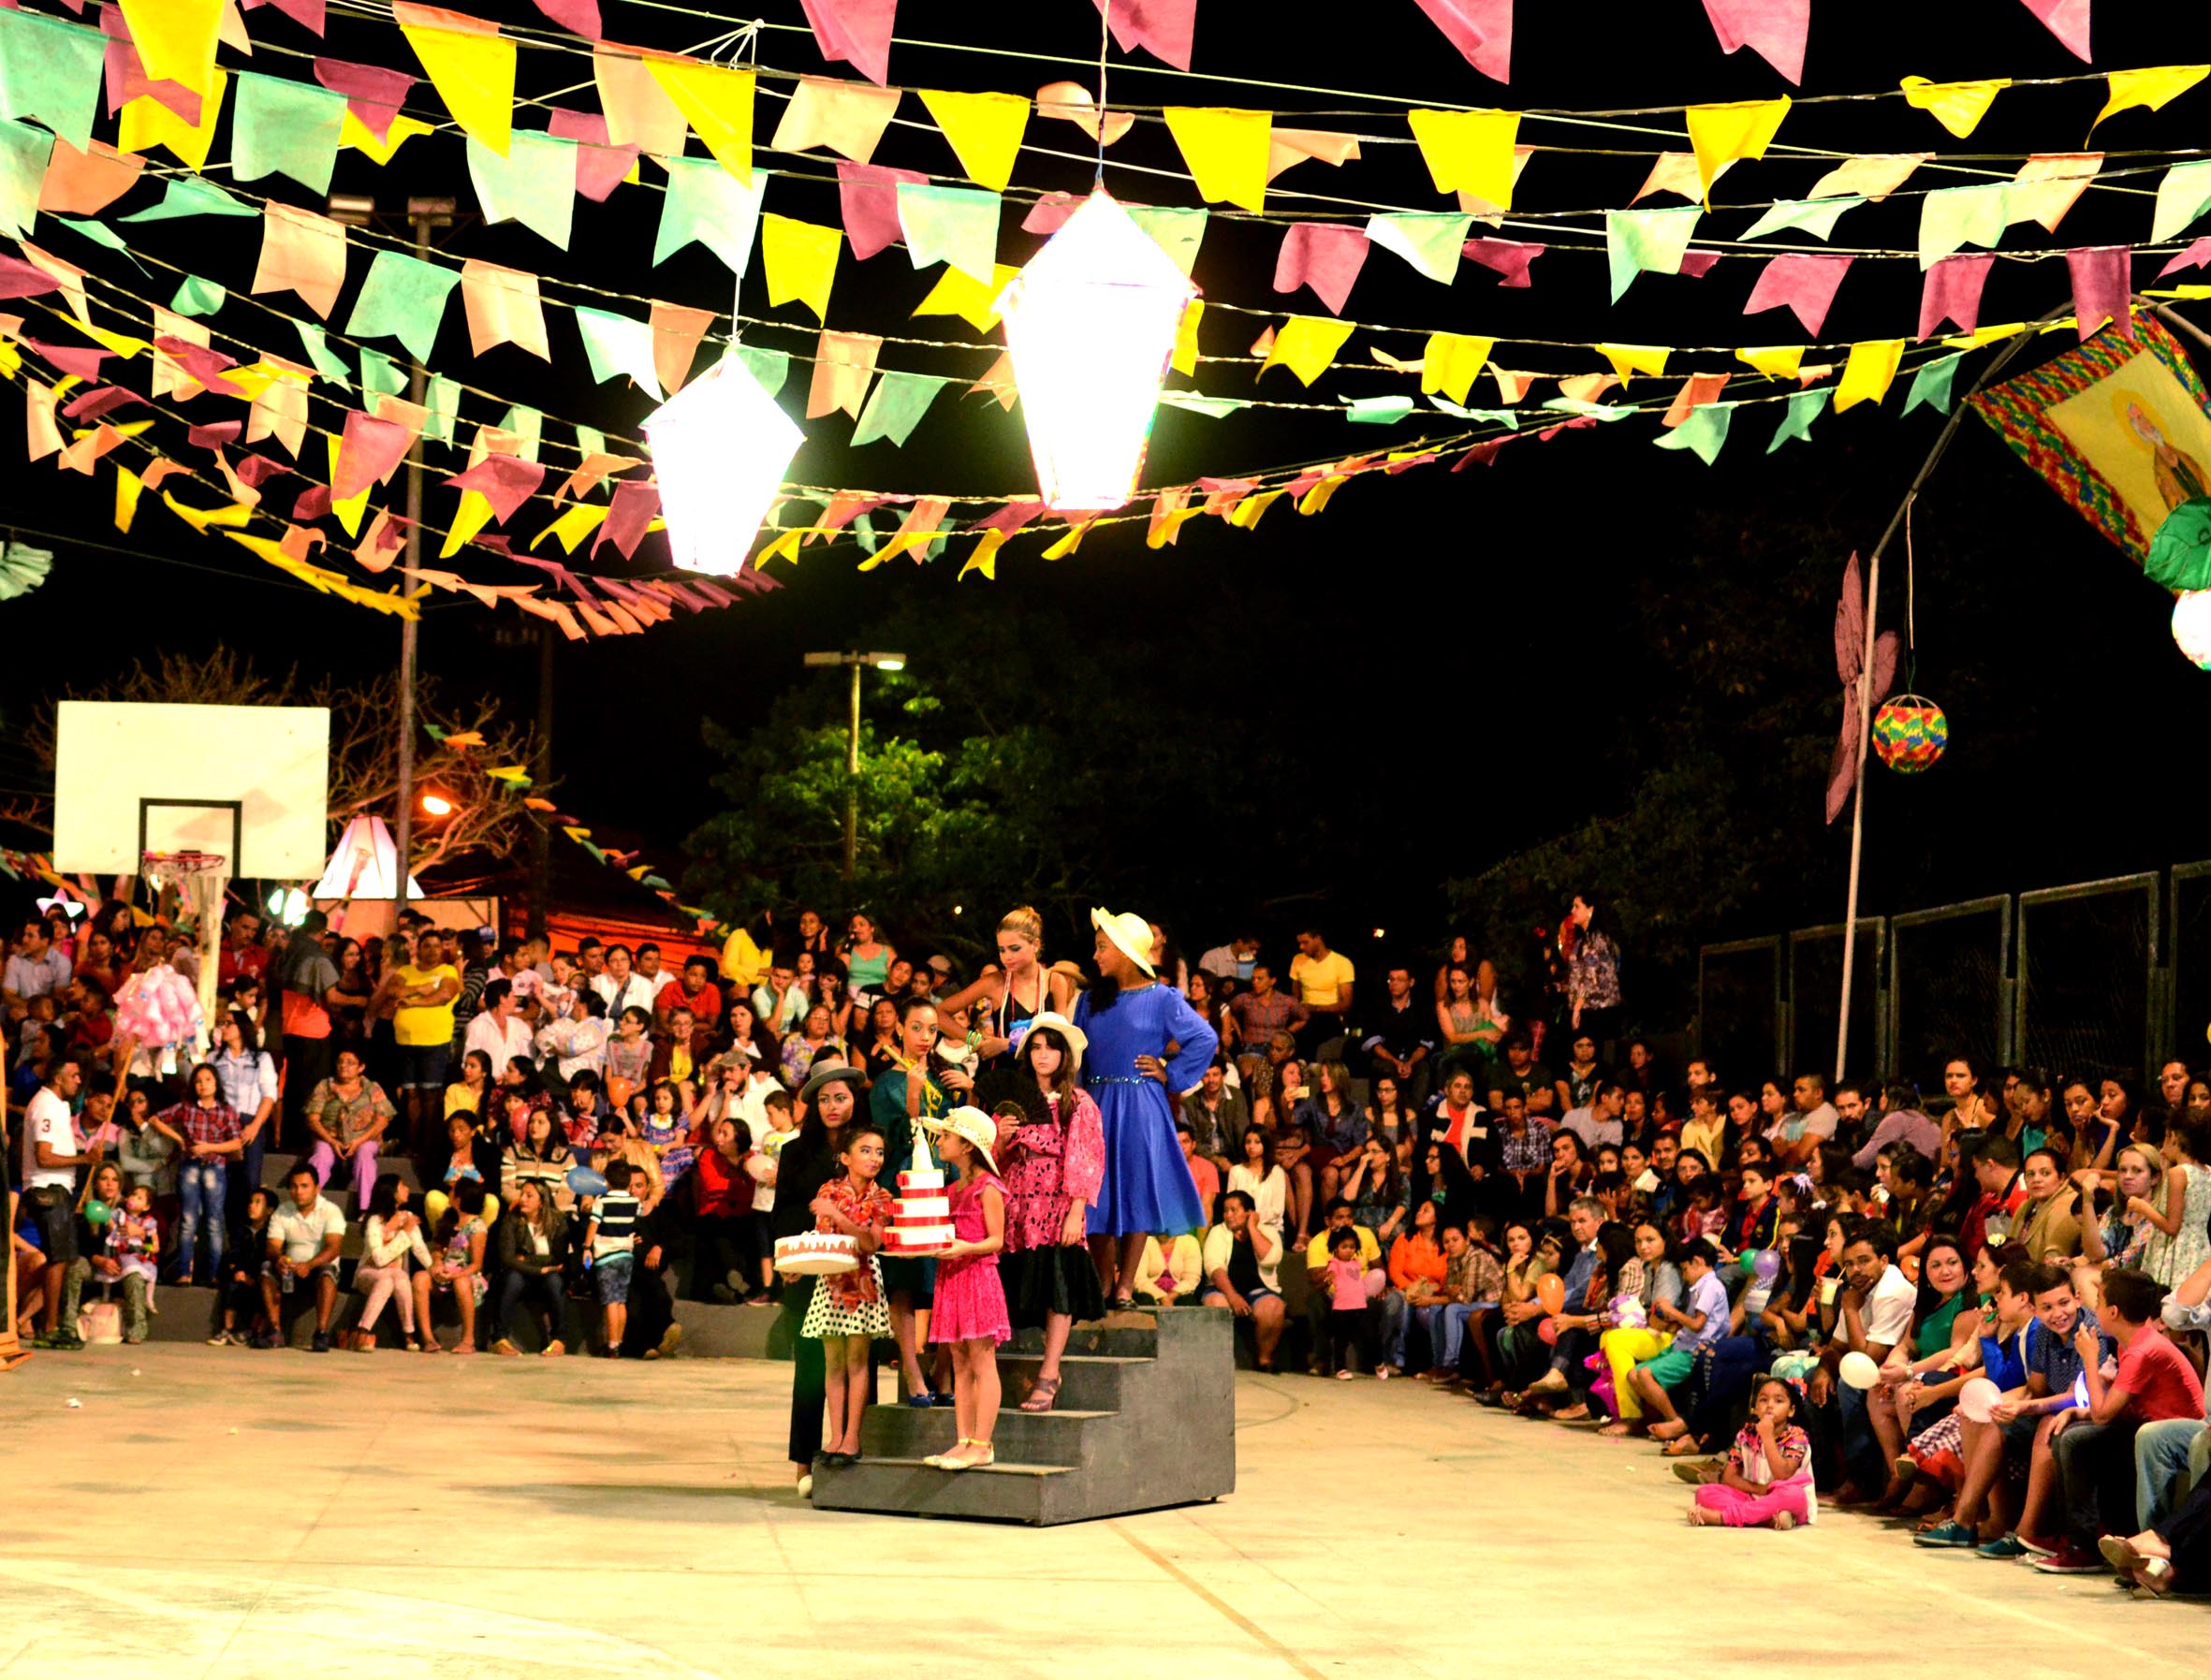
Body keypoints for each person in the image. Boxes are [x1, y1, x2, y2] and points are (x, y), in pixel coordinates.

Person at [1076, 908, 1220, 1310]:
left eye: (1103, 947)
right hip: (1096, 1103)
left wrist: (1170, 1073)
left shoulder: (1162, 998)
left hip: (1141, 1105)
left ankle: (1125, 1287)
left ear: (1125, 952)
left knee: (1136, 1191)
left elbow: (1205, 1038)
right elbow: (1076, 1052)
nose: (1096, 955)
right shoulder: (1090, 1000)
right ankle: (1103, 1281)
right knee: (1096, 1195)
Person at [2033, 1267, 2204, 1574]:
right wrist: (2076, 1411)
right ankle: (2083, 1539)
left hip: (2171, 1435)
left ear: (2113, 1311)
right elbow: (2112, 1407)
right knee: (2072, 1433)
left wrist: (2089, 1357)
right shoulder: (2132, 1343)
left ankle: (2084, 1546)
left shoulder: (2143, 1350)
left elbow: (2102, 1414)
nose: (2094, 1308)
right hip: (2141, 1425)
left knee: (2076, 1440)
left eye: (2098, 1301)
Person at [993, 1015, 1106, 1412]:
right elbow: (994, 1163)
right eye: (1036, 1047)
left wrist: (1076, 1211)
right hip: (1018, 1206)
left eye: (1051, 1047)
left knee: (1059, 1287)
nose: (1042, 1055)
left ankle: (1049, 1372)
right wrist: (1001, 1139)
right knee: (1023, 1282)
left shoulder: (1078, 1103)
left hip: (1057, 1206)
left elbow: (1086, 1158)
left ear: (1064, 1055)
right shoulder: (1015, 1105)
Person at [774, 1064, 870, 1491]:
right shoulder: (795, 1151)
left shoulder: (868, 1146)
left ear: (854, 1101)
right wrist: (791, 1260)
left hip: (856, 1272)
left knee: (858, 1364)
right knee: (811, 1368)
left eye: (841, 1097)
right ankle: (804, 1461)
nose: (833, 1107)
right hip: (808, 1269)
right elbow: (783, 1211)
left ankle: (855, 1451)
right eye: (825, 1099)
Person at [923, 1107, 1011, 1470]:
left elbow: (997, 1240)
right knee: (959, 1362)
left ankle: (982, 1444)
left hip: (977, 1276)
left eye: (947, 1136)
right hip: (952, 1277)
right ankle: (963, 1441)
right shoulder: (951, 1189)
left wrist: (964, 1248)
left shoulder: (988, 1187)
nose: (940, 1141)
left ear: (967, 1145)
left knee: (982, 1361)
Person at [938, 907, 1078, 1067]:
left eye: (1014, 949)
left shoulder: (1055, 982)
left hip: (1042, 1076)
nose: (1007, 957)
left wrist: (1006, 1045)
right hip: (1001, 1075)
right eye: (1002, 950)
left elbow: (1061, 1038)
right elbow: (940, 1013)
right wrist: (977, 1040)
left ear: (1036, 944)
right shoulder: (994, 982)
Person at [151, 1062, 242, 1289]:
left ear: (216, 1083)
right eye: (199, 1081)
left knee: (214, 1221)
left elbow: (236, 1143)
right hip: (190, 1166)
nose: (203, 1085)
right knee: (188, 1220)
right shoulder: (187, 1107)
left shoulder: (226, 1110)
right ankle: (184, 1273)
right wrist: (179, 1139)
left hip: (214, 1166)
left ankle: (213, 1274)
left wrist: (209, 1147)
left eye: (208, 1080)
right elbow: (155, 1119)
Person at [1689, 1377, 1816, 1529]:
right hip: (1752, 1497)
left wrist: (1767, 1437)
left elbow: (1783, 1475)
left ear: (1791, 1410)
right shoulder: (1746, 1434)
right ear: (1754, 1408)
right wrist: (1761, 1490)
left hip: (1786, 1499)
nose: (1769, 1405)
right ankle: (1768, 1520)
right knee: (1704, 1492)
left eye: (1778, 1401)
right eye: (1763, 1400)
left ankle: (1722, 1518)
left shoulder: (1797, 1436)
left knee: (1793, 1494)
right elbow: (1728, 1477)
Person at [1629, 1237, 1727, 1435]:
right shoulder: (1699, 1287)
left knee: (1645, 1375)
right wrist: (1670, 1318)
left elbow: (1697, 1325)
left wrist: (1672, 1311)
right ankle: (1667, 1419)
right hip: (1682, 1344)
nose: (1684, 1275)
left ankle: (1675, 1423)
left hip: (1696, 1349)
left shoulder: (1711, 1286)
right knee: (1633, 1374)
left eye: (1685, 1269)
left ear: (1697, 1261)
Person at [19, 1054, 84, 1350]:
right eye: (74, 1075)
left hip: (58, 1188)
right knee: (57, 1259)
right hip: (47, 1188)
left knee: (61, 1259)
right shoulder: (45, 1105)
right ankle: (49, 1327)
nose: (79, 1081)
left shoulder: (58, 1106)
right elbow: (44, 1156)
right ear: (58, 1078)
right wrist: (84, 1158)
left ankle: (35, 1319)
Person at [390, 928, 461, 1156]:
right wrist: (420, 989)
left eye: (436, 946)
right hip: (405, 1041)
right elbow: (393, 990)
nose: (432, 950)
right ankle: (411, 1144)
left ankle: (427, 1147)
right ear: (418, 949)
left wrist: (412, 1001)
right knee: (410, 1094)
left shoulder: (448, 971)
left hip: (435, 1042)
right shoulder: (405, 970)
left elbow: (445, 996)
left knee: (430, 1095)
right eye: (427, 945)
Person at [262, 1164, 346, 1352]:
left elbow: (333, 1248)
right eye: (294, 1186)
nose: (298, 1191)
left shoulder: (331, 1211)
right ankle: (275, 1331)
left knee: (328, 1272)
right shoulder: (283, 1211)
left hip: (318, 1268)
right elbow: (272, 1246)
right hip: (290, 1270)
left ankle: (321, 1333)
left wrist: (309, 1265)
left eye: (304, 1186)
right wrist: (279, 1258)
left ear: (317, 1188)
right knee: (267, 1268)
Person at [1202, 1190, 1285, 1372]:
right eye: (1226, 1211)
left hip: (1257, 1290)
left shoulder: (1268, 1232)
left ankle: (1264, 1359)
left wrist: (1252, 1228)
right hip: (1223, 1290)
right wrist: (1232, 1296)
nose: (1228, 1215)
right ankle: (1220, 1361)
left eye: (1234, 1210)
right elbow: (1214, 1267)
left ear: (1249, 1213)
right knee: (1216, 1303)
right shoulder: (1218, 1232)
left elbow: (1270, 1259)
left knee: (1274, 1307)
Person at [491, 1178, 570, 1356]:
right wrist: (538, 1268)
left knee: (555, 1281)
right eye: (522, 1194)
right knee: (512, 1279)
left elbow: (558, 1258)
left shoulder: (558, 1221)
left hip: (548, 1275)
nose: (522, 1199)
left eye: (529, 1196)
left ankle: (559, 1340)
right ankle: (500, 1339)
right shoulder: (511, 1219)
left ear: (542, 1201)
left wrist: (526, 1259)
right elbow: (507, 1258)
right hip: (521, 1274)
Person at [352, 1174, 431, 1352]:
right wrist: (403, 1232)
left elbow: (419, 1249)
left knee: (399, 1276)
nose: (407, 1189)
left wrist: (434, 1269)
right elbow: (379, 1259)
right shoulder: (374, 1221)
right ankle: (363, 1332)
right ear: (392, 1192)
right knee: (387, 1278)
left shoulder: (407, 1217)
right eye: (402, 1186)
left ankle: (408, 1333)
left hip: (395, 1275)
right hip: (369, 1273)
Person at [585, 1159, 641, 1357]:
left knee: (610, 1300)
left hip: (606, 1256)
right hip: (626, 1254)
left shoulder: (602, 1201)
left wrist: (587, 1247)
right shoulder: (634, 1202)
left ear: (607, 1181)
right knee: (621, 1301)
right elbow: (639, 1217)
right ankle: (620, 1341)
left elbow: (593, 1225)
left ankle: (611, 1344)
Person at [1288, 928, 1354, 1059]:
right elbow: (1295, 996)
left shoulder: (1341, 963)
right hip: (1305, 1016)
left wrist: (1315, 1008)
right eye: (1299, 943)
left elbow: (1346, 1004)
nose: (1301, 947)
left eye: (1305, 942)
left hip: (1330, 1016)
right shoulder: (1298, 959)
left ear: (1318, 939)